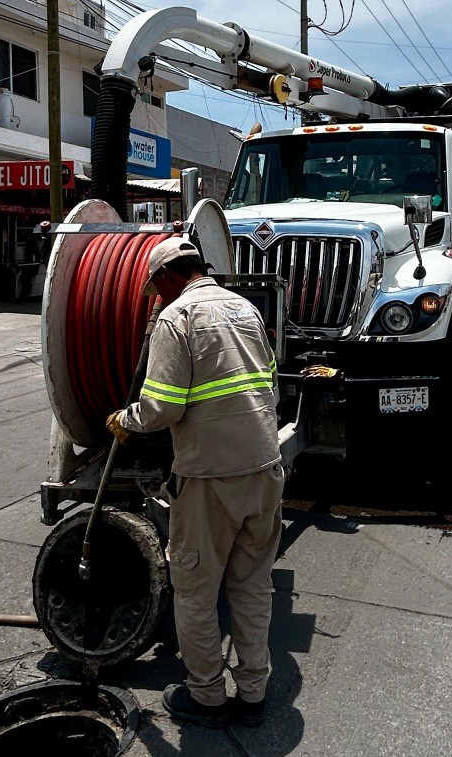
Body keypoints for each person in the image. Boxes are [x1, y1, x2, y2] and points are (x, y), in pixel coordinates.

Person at [105, 238, 283, 730]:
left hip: (209, 480)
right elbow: (270, 381)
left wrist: (127, 417)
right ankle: (254, 693)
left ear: (166, 278)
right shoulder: (245, 308)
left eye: (156, 289)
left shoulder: (176, 318)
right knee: (251, 586)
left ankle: (206, 696)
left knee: (196, 590)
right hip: (265, 470)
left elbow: (163, 407)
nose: (156, 298)